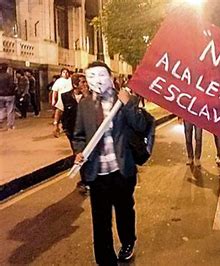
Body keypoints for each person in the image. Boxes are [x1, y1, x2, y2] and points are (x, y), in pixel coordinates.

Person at [73, 61, 147, 265]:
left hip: (121, 170)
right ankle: (105, 259)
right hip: (97, 174)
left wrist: (129, 103)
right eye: (91, 76)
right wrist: (79, 151)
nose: (97, 80)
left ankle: (128, 242)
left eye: (101, 75)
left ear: (110, 76)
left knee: (124, 211)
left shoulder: (124, 99)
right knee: (100, 220)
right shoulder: (85, 104)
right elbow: (79, 135)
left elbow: (140, 126)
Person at [53, 73, 90, 193]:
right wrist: (56, 125)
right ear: (75, 85)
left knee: (88, 154)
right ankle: (85, 181)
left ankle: (88, 179)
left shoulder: (90, 96)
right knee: (79, 154)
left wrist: (87, 96)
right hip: (72, 132)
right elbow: (59, 110)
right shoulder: (65, 96)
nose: (85, 84)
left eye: (86, 82)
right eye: (82, 82)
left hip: (88, 130)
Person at [0, 63, 16, 130]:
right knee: (10, 110)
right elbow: (12, 85)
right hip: (9, 95)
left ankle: (0, 119)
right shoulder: (9, 76)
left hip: (0, 95)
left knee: (1, 109)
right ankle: (10, 125)